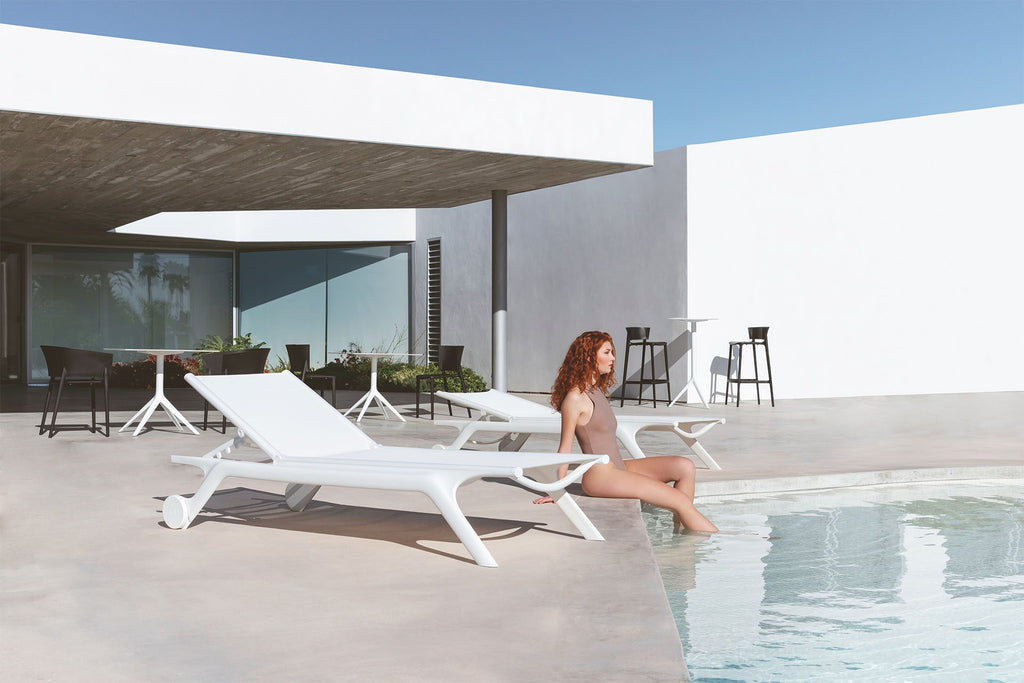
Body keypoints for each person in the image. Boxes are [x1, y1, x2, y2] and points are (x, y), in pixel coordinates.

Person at [534, 330, 718, 533]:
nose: (613, 358)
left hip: (618, 468)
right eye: (607, 352)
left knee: (684, 466)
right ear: (588, 356)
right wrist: (558, 489)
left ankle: (682, 531)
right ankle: (715, 541)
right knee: (679, 500)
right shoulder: (575, 398)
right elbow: (565, 447)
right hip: (600, 477)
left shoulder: (597, 391)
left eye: (612, 352)